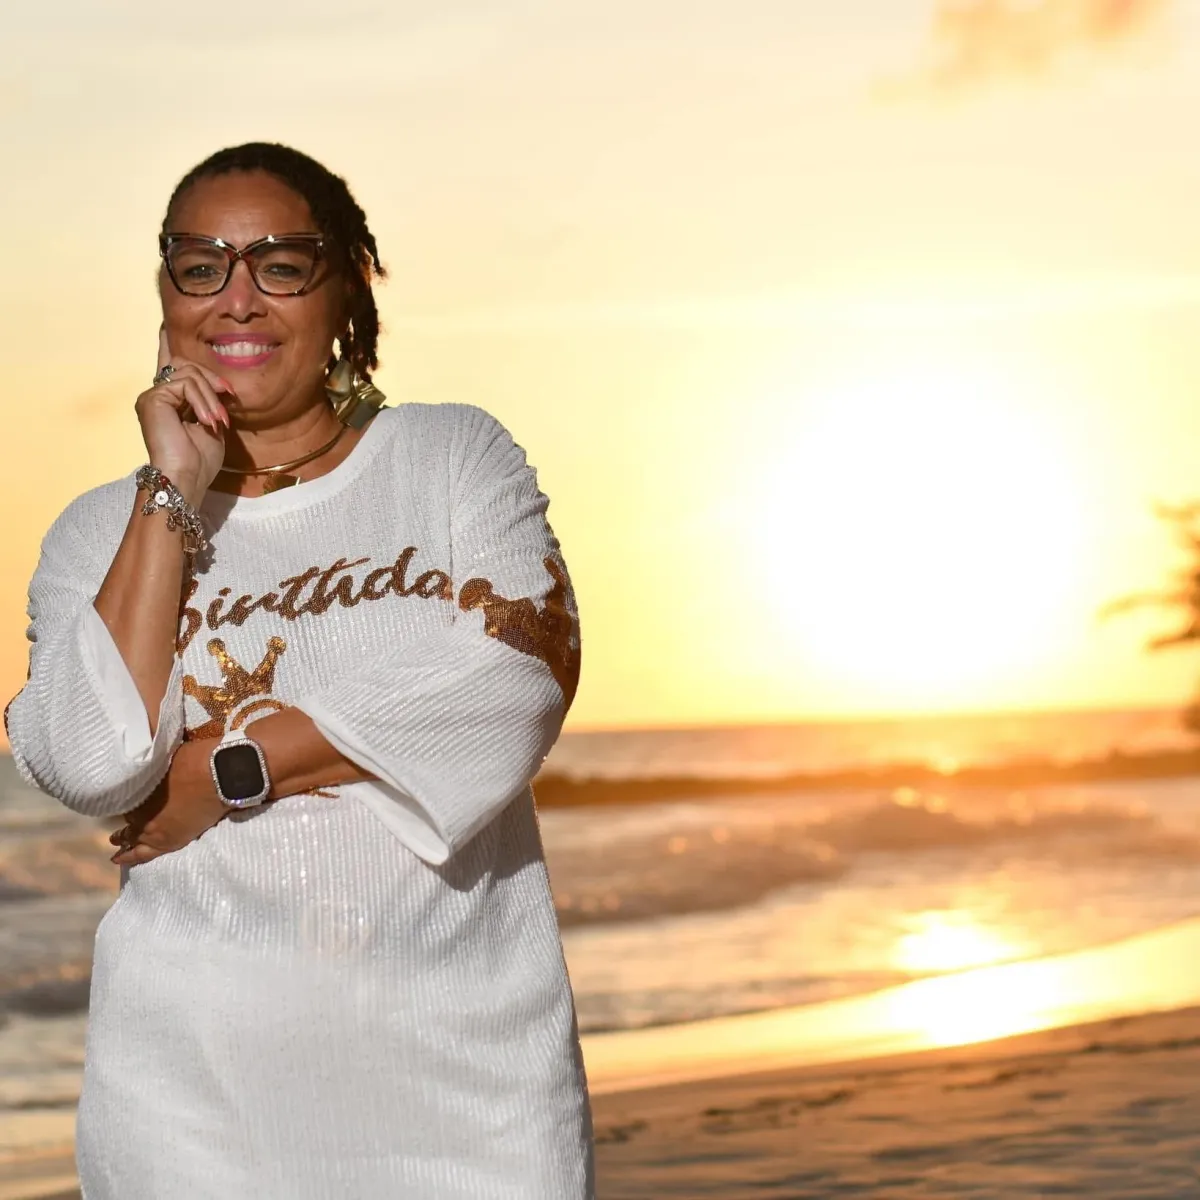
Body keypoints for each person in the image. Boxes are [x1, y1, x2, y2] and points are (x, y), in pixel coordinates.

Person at [4, 142, 594, 1199]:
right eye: (201, 265)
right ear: (166, 295)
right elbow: (89, 763)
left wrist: (226, 768)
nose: (237, 298)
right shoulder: (99, 533)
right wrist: (170, 496)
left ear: (346, 291)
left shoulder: (449, 458)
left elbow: (521, 672)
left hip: (470, 1095)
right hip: (189, 1111)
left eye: (280, 264)